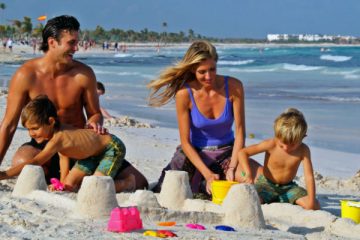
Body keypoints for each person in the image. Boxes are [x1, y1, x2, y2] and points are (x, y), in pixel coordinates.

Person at [0, 15, 148, 190]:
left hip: (80, 146)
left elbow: (95, 113)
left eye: (77, 42)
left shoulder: (84, 75)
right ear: (52, 42)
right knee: (23, 160)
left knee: (141, 183)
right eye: (71, 43)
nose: (76, 48)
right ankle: (67, 180)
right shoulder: (26, 75)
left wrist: (94, 123)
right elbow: (9, 124)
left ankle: (73, 179)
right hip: (45, 146)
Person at [147, 40, 261, 196]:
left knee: (260, 181)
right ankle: (201, 183)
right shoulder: (184, 94)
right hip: (194, 154)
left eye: (212, 69)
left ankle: (208, 182)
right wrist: (208, 175)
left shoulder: (234, 86)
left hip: (227, 153)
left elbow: (240, 133)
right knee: (168, 190)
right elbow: (185, 143)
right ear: (193, 69)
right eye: (202, 72)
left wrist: (233, 168)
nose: (209, 76)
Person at [0, 96, 135, 192]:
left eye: (35, 128)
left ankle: (127, 183)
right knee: (69, 186)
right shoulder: (56, 132)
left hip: (110, 148)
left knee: (95, 186)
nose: (31, 134)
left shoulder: (58, 138)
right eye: (28, 129)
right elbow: (63, 157)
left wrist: (5, 175)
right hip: (89, 155)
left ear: (51, 121)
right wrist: (63, 183)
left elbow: (35, 161)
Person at [230, 108, 320, 210]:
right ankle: (272, 199)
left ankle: (282, 199)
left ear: (303, 137)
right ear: (277, 136)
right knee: (250, 201)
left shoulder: (303, 150)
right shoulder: (271, 144)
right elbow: (243, 153)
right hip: (266, 185)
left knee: (314, 205)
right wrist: (248, 173)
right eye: (282, 145)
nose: (286, 148)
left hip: (289, 188)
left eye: (292, 145)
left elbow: (309, 176)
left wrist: (312, 199)